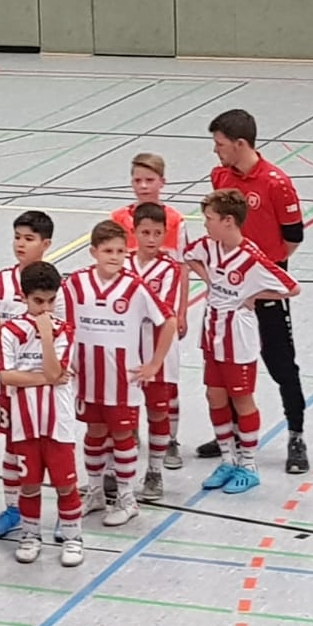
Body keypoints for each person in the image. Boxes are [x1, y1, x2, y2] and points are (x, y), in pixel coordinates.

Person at [200, 108, 311, 474]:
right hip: (229, 290)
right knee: (227, 363)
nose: (216, 150)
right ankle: (230, 435)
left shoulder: (276, 183)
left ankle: (296, 435)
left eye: (220, 144)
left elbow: (293, 237)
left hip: (262, 283)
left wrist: (262, 269)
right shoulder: (220, 176)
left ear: (240, 143)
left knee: (280, 362)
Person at [185, 189, 301, 495]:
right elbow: (187, 256)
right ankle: (228, 459)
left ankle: (248, 466)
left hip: (238, 337)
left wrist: (254, 295)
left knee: (241, 399)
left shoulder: (251, 257)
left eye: (209, 218)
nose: (205, 224)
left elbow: (291, 288)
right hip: (212, 332)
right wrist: (209, 280)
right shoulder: (208, 247)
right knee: (214, 395)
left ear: (228, 221)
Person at [64, 219, 169, 527]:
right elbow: (62, 323)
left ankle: (126, 498)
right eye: (108, 251)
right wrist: (64, 358)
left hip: (123, 379)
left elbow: (169, 321)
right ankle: (95, 491)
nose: (114, 257)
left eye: (120, 251)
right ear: (93, 252)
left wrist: (154, 364)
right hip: (87, 377)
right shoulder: (75, 283)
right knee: (94, 432)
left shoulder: (135, 287)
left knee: (123, 436)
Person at [0, 261, 83, 567]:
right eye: (38, 301)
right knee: (29, 484)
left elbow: (54, 371)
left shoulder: (65, 330)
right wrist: (46, 378)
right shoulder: (10, 331)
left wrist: (46, 337)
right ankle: (30, 535)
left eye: (51, 301)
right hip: (24, 421)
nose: (45, 309)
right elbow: (7, 375)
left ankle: (73, 538)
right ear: (24, 297)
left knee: (65, 484)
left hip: (58, 421)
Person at [0, 209, 56, 541]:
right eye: (17, 237)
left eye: (28, 239)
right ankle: (12, 508)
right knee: (12, 447)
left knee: (52, 448)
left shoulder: (54, 284)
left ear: (46, 244)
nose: (20, 244)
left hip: (45, 384)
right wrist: (0, 339)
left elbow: (63, 329)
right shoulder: (0, 280)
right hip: (12, 384)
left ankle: (62, 511)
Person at [128, 201, 189, 496]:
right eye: (145, 232)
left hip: (158, 351)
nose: (151, 239)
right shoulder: (122, 262)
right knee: (122, 413)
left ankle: (154, 471)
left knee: (157, 411)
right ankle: (115, 472)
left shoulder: (169, 268)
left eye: (157, 233)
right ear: (134, 232)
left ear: (165, 234)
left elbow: (159, 310)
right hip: (127, 349)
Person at [109, 152, 169, 251]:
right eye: (137, 180)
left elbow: (181, 257)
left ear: (162, 182)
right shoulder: (118, 219)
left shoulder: (174, 219)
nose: (143, 186)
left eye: (149, 180)